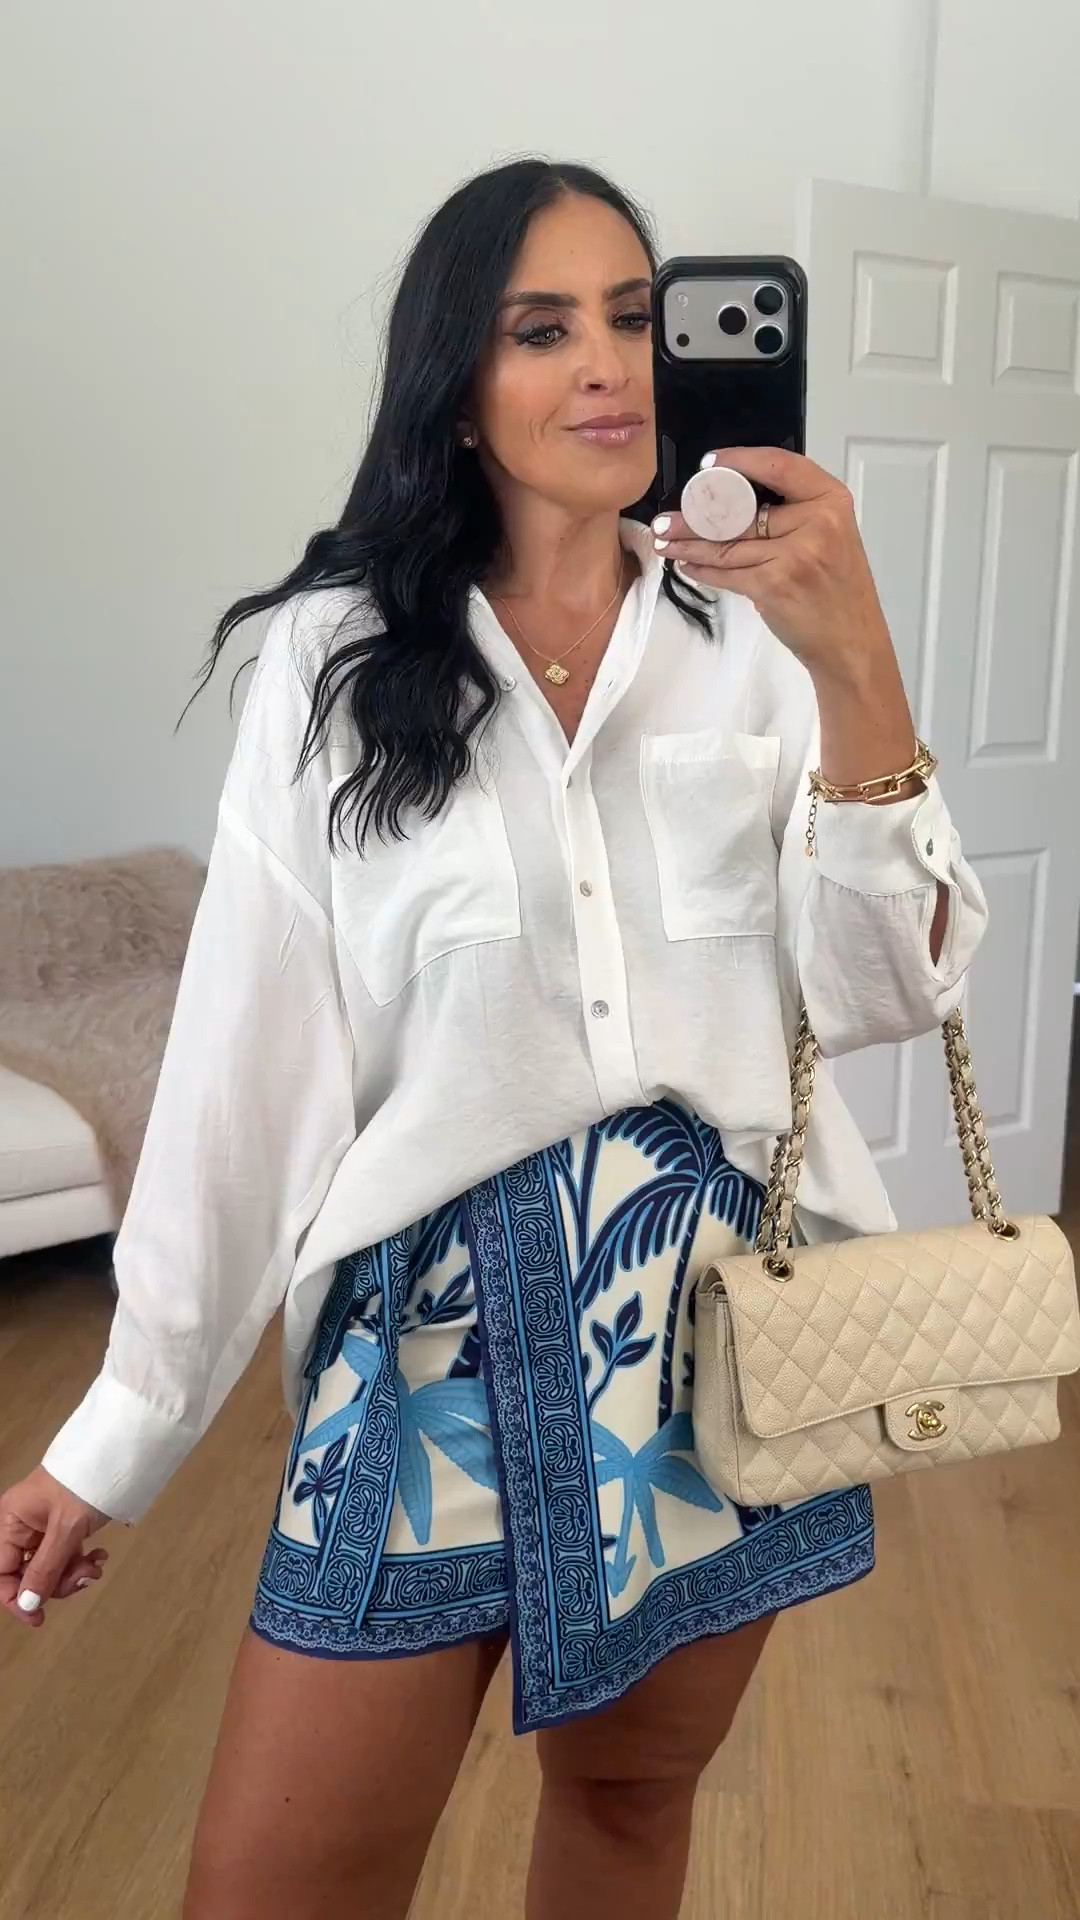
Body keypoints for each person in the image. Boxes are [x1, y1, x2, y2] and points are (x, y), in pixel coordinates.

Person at [0, 158, 986, 1920]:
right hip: (427, 1337)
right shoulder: (329, 664)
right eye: (542, 329)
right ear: (458, 390)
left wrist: (856, 666)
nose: (607, 363)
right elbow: (244, 1069)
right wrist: (121, 1425)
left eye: (634, 317)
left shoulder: (759, 644)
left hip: (720, 1333)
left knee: (629, 1804)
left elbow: (883, 993)